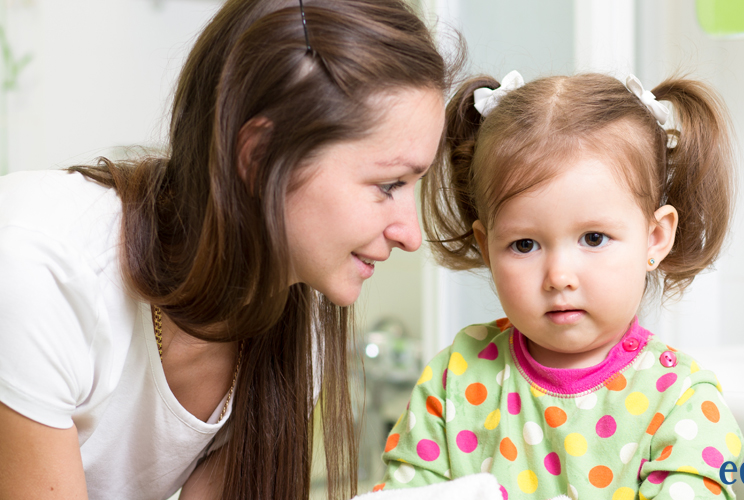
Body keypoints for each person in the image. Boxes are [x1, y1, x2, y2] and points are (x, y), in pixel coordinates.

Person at [0, 0, 453, 499]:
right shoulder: (41, 269)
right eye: (389, 183)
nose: (411, 234)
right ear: (259, 156)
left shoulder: (296, 332)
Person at [374, 70, 744, 500]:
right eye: (524, 244)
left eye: (593, 238)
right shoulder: (452, 380)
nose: (559, 277)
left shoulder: (682, 402)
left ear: (655, 237)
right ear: (487, 246)